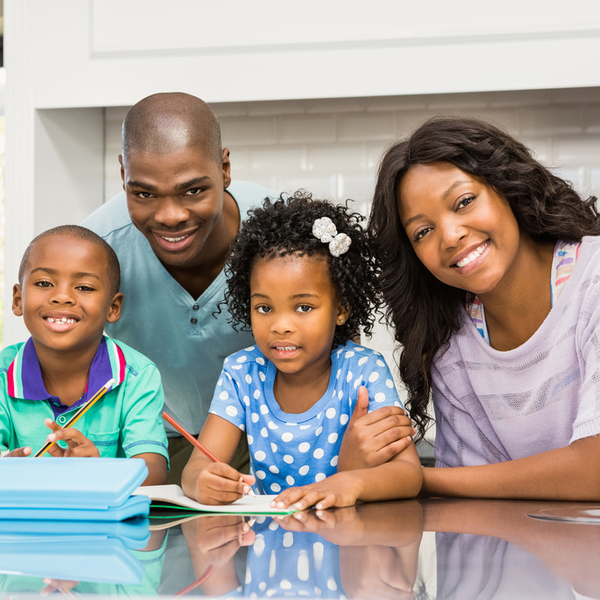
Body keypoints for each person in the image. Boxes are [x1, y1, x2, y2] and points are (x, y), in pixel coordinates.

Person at [368, 115, 600, 500]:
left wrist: (415, 479)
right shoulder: (451, 348)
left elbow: (595, 469)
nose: (450, 236)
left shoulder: (594, 282)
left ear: (508, 186)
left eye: (464, 202)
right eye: (423, 232)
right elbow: (473, 507)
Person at [82, 92, 279, 482]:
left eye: (193, 191)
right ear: (123, 174)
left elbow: (332, 346)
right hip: (147, 446)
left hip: (273, 442)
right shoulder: (96, 249)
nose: (171, 216)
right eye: (144, 194)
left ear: (224, 168)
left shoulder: (282, 232)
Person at [182, 192, 422, 510]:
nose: (281, 325)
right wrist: (202, 481)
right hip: (268, 548)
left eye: (304, 307)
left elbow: (409, 475)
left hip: (348, 546)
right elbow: (196, 468)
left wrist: (348, 483)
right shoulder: (242, 372)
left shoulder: (363, 370)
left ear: (341, 309)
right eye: (264, 307)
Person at [1, 225, 169, 485]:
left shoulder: (137, 376)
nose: (62, 297)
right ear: (18, 299)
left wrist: (99, 472)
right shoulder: (3, 376)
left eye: (85, 287)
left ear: (113, 308)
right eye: (44, 283)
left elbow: (154, 473)